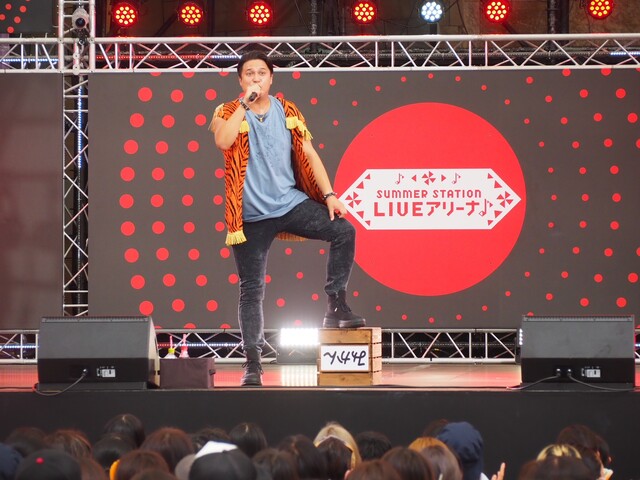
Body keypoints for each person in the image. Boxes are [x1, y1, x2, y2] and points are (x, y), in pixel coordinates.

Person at [210, 50, 366, 386]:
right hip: (251, 217)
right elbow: (223, 140)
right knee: (251, 290)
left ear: (271, 78)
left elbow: (309, 153)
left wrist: (329, 194)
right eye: (249, 73)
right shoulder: (227, 111)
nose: (256, 78)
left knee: (344, 231)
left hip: (290, 203)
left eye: (261, 73)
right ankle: (253, 364)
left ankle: (335, 305)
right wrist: (244, 104)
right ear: (240, 80)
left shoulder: (287, 111)